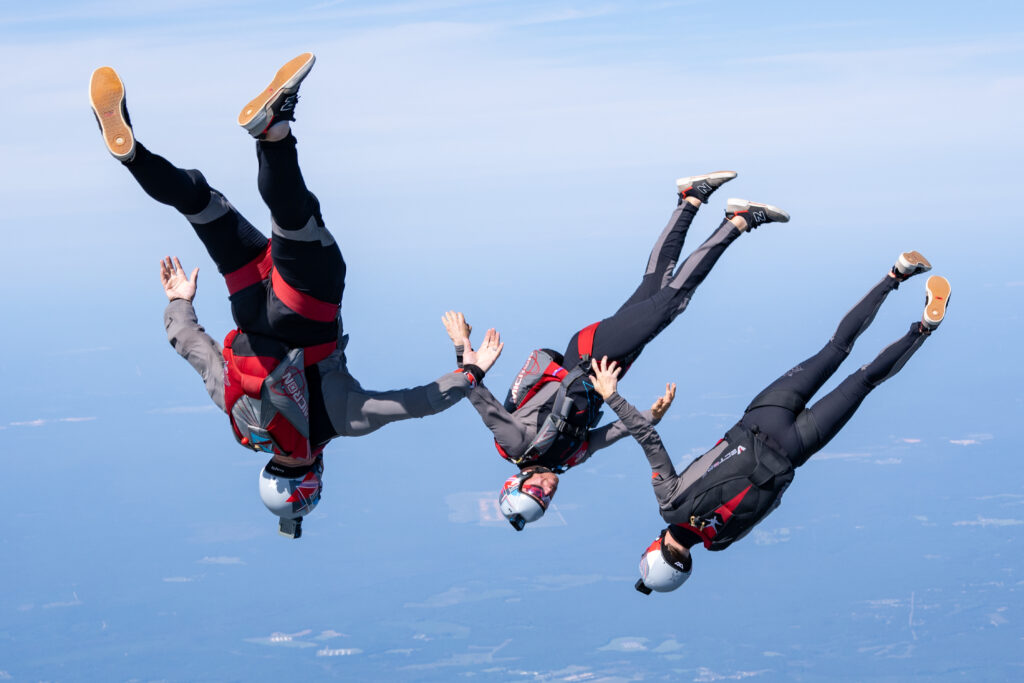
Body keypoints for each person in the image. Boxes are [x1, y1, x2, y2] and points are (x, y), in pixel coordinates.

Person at [89, 54, 503, 538]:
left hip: (307, 310)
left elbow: (417, 403)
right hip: (246, 306)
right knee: (201, 204)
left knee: (295, 221)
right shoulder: (241, 422)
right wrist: (179, 300)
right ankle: (132, 157)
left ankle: (273, 130)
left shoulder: (335, 422)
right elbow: (190, 345)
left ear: (312, 480)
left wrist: (471, 371)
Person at [446, 172, 793, 530]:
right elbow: (609, 435)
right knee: (656, 286)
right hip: (609, 364)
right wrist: (649, 417)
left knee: (672, 303)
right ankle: (690, 199)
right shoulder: (568, 459)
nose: (547, 490)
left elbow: (477, 396)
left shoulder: (516, 443)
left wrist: (461, 346)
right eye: (546, 500)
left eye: (537, 491)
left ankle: (739, 221)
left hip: (587, 355)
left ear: (517, 481)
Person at [585, 254, 950, 593]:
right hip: (762, 418)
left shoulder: (721, 542)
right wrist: (611, 395)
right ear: (654, 545)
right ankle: (896, 275)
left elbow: (771, 503)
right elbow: (649, 439)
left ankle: (923, 329)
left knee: (865, 380)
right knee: (835, 348)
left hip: (796, 448)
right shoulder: (670, 503)